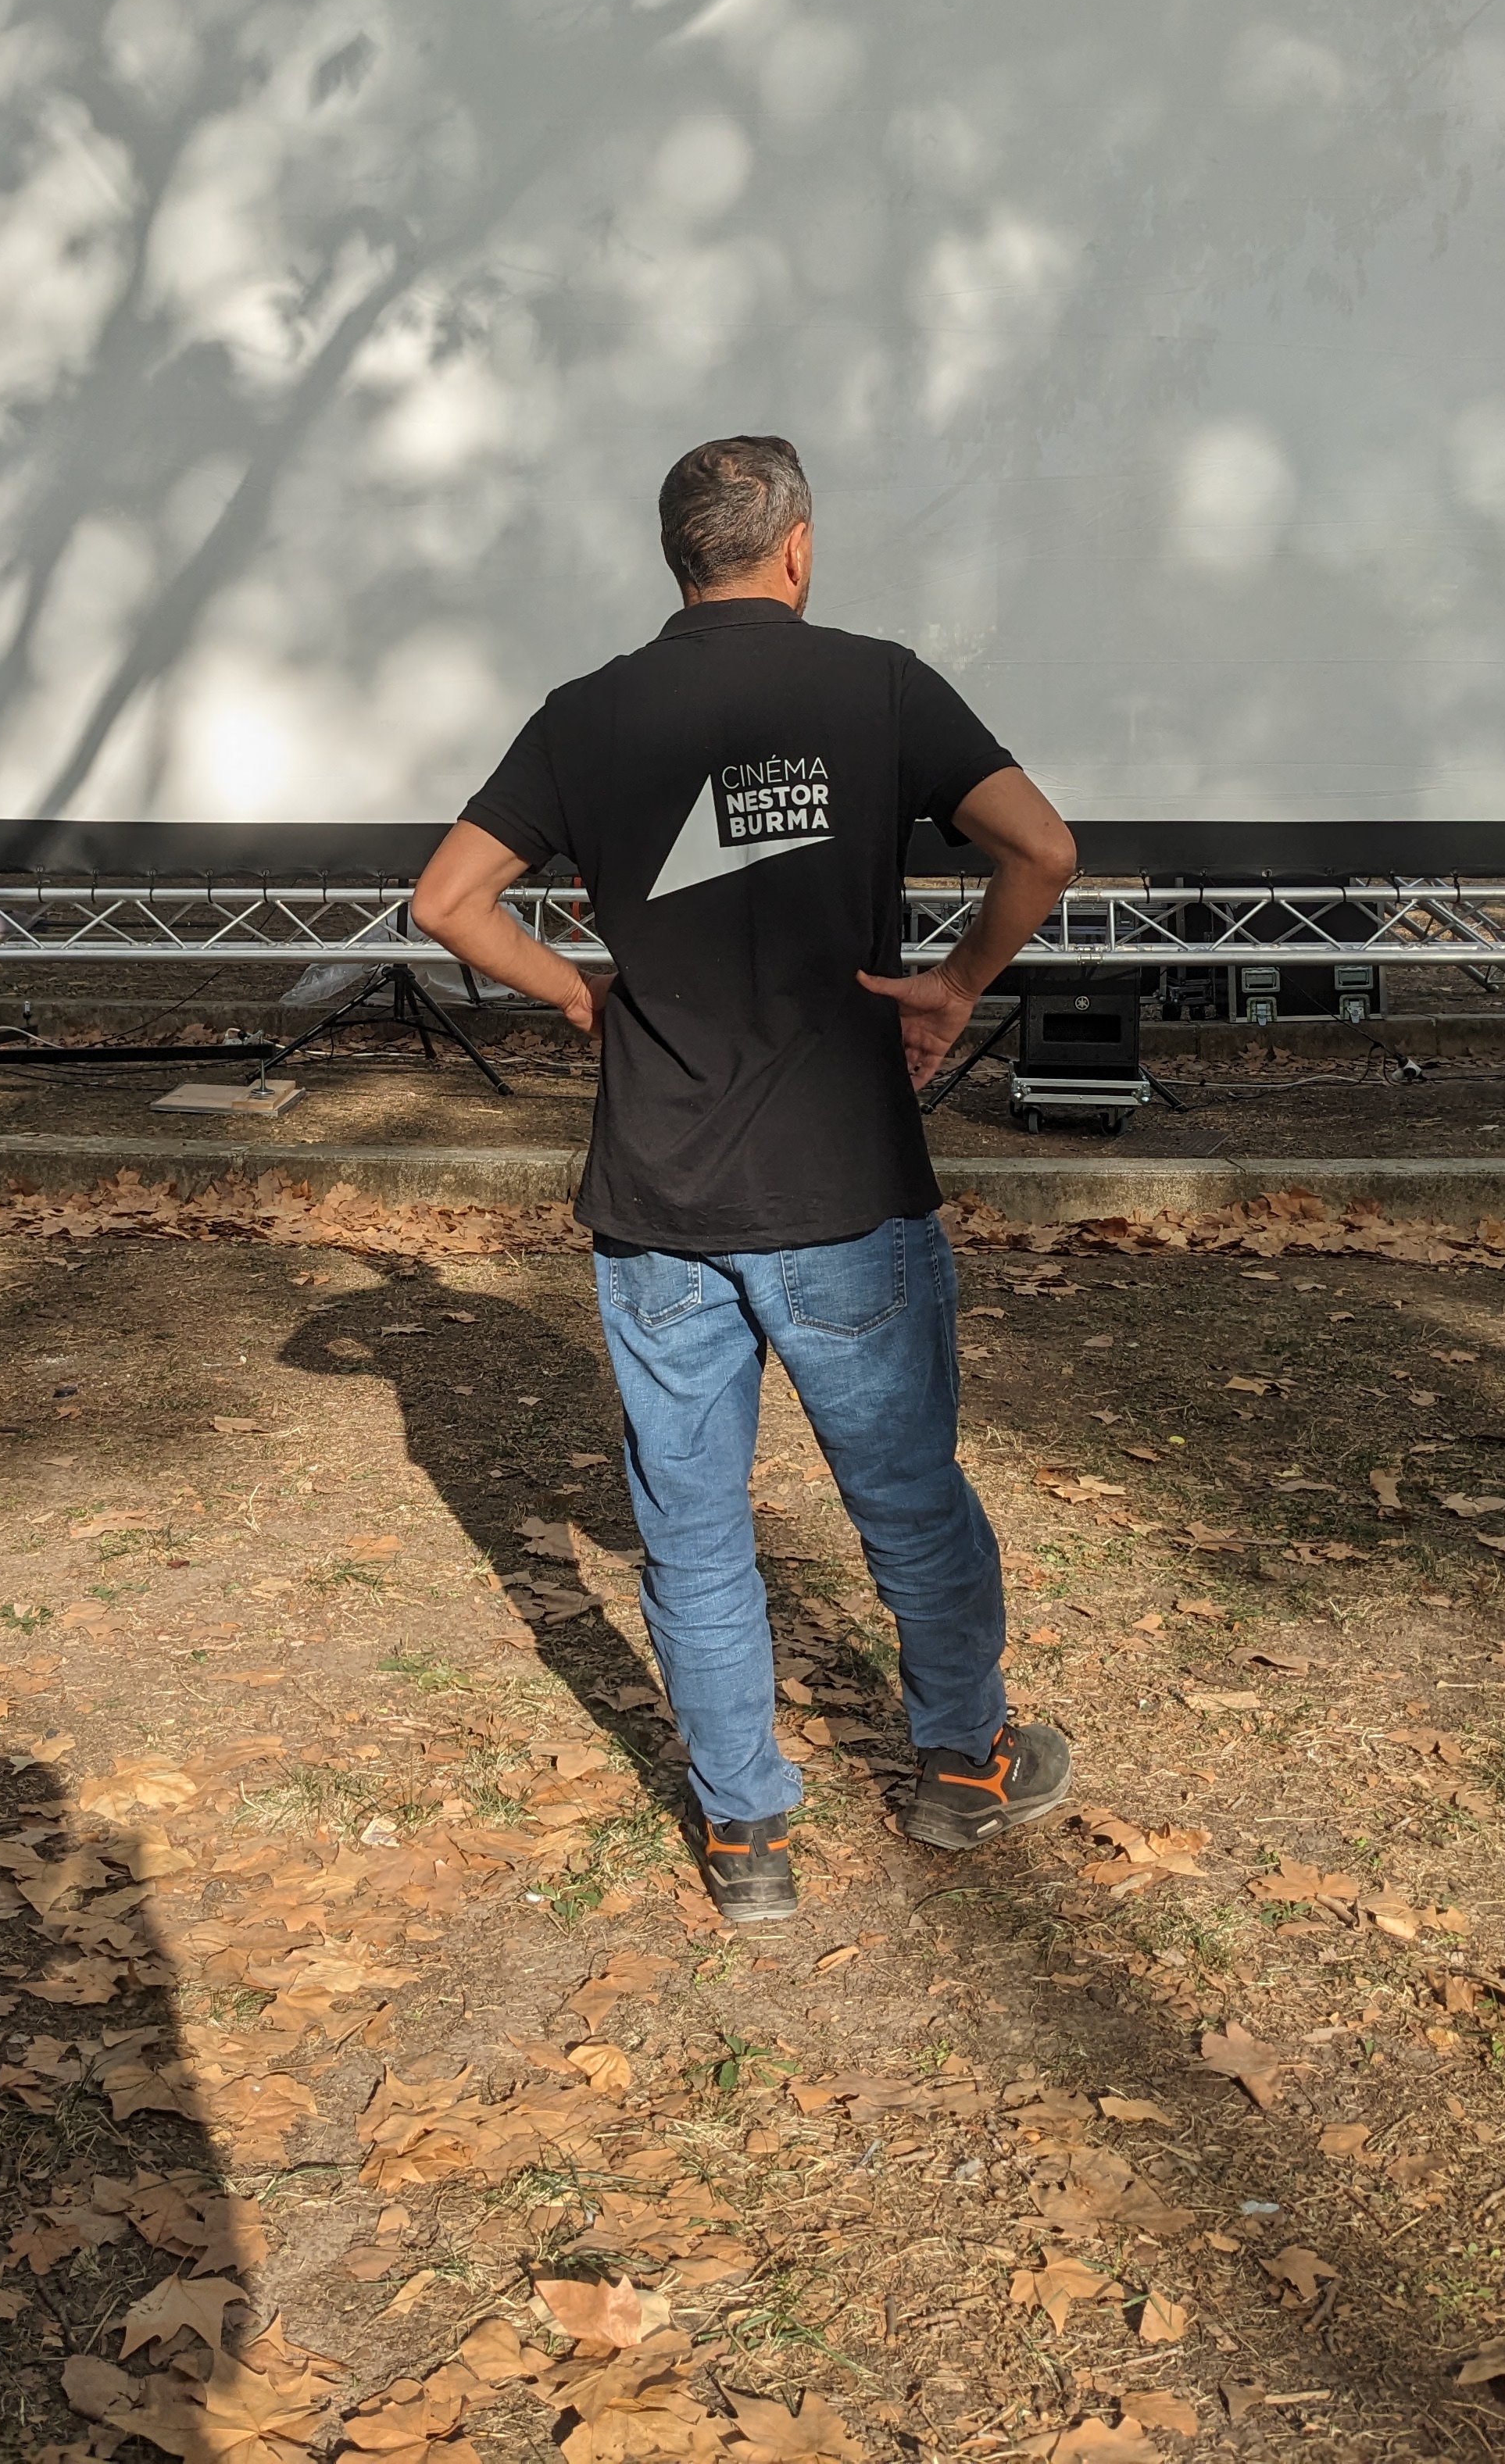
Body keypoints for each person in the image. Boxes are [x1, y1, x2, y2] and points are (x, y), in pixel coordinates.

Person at [410, 436, 1080, 1924]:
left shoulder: (584, 715)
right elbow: (1042, 848)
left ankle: (745, 1839)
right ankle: (962, 1769)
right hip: (846, 1188)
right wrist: (958, 983)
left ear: (678, 557)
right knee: (909, 1502)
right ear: (797, 549)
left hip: (657, 1201)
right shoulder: (881, 686)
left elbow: (446, 900)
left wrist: (576, 992)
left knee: (693, 1532)